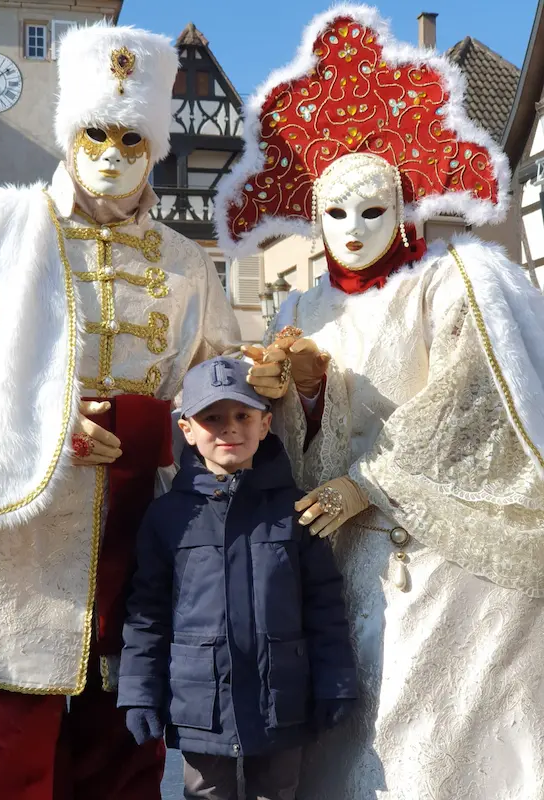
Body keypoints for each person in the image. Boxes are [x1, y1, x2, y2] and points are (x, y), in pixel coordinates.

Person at [216, 5, 544, 799]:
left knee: (433, 725)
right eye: (335, 213)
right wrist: (304, 393)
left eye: (372, 209)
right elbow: (295, 448)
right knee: (356, 718)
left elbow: (479, 401)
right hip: (342, 551)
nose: (353, 230)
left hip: (447, 550)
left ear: (403, 203)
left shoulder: (460, 276)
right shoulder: (300, 309)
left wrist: (372, 482)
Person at [0, 22, 239, 800]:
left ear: (155, 148)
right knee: (11, 752)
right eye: (95, 133)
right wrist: (45, 422)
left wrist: (151, 432)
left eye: (131, 139)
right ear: (69, 135)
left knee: (125, 743)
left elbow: (220, 388)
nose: (111, 153)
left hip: (142, 532)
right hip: (21, 540)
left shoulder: (186, 262)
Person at [118, 356, 357, 800]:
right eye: (212, 416)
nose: (229, 428)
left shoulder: (295, 512)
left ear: (265, 424)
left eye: (243, 415)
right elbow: (147, 612)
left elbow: (324, 604)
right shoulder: (169, 516)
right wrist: (139, 693)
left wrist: (335, 683)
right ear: (186, 428)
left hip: (280, 698)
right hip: (201, 704)